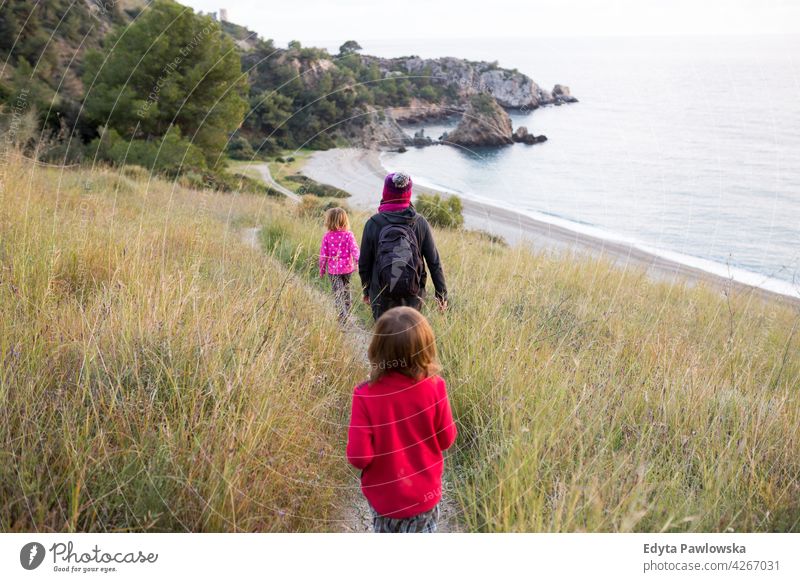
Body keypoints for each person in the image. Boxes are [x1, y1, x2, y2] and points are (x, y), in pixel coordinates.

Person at [346, 307, 457, 533]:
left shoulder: (365, 395)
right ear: (426, 348)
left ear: (377, 349)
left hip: (385, 501)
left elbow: (359, 457)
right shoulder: (436, 387)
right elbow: (446, 439)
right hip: (425, 496)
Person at [358, 172, 448, 321]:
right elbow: (434, 262)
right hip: (413, 296)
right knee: (410, 341)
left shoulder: (373, 223)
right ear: (408, 193)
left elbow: (364, 264)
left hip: (381, 295)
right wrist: (441, 294)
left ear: (386, 192)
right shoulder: (420, 222)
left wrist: (367, 291)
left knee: (385, 339)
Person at [319, 207, 359, 322]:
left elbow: (323, 256)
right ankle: (346, 312)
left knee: (338, 292)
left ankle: (342, 316)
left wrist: (322, 270)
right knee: (346, 290)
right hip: (347, 269)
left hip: (334, 271)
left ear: (329, 221)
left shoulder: (327, 236)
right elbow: (355, 250)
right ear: (345, 220)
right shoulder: (349, 235)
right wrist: (357, 262)